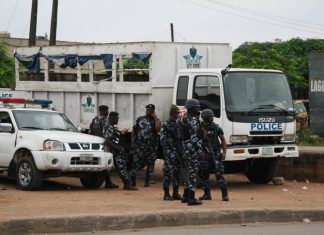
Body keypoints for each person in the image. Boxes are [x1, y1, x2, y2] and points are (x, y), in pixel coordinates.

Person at [199, 109, 229, 201]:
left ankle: (225, 195)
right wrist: (200, 152)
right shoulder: (200, 128)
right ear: (205, 117)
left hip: (215, 154)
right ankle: (207, 194)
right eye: (210, 116)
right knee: (204, 175)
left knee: (219, 174)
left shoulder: (216, 127)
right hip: (205, 155)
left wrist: (224, 152)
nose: (212, 118)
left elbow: (223, 140)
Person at [103, 112, 137, 190]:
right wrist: (116, 148)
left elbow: (113, 136)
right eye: (117, 118)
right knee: (121, 166)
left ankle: (108, 182)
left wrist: (121, 133)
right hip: (115, 150)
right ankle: (127, 184)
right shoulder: (110, 127)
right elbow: (107, 140)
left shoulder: (111, 126)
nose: (118, 119)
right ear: (112, 118)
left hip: (114, 150)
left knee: (108, 168)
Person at [178, 99, 203, 206]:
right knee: (192, 173)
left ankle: (185, 196)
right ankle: (191, 198)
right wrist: (200, 150)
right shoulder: (192, 119)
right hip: (192, 149)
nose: (198, 109)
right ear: (192, 108)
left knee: (189, 173)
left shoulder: (184, 118)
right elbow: (195, 136)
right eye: (197, 107)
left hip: (185, 148)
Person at [130, 104, 161, 187]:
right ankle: (133, 180)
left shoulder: (156, 120)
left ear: (153, 111)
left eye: (150, 110)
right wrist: (132, 143)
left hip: (151, 147)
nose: (148, 111)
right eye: (147, 110)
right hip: (140, 146)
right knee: (136, 163)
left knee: (150, 164)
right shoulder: (140, 119)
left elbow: (158, 129)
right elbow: (134, 131)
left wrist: (155, 118)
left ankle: (147, 181)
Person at [89, 105, 119, 189]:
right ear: (103, 111)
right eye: (106, 110)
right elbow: (107, 134)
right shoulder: (106, 120)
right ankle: (107, 182)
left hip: (96, 144)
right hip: (105, 144)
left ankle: (108, 182)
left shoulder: (95, 119)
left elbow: (90, 131)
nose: (107, 112)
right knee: (107, 163)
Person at [160, 105, 183, 201]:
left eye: (178, 113)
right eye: (176, 113)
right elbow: (162, 140)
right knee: (168, 173)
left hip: (177, 151)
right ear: (172, 113)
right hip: (170, 152)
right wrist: (169, 152)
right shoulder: (166, 124)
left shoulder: (178, 124)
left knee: (177, 172)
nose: (178, 115)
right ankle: (166, 194)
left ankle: (175, 193)